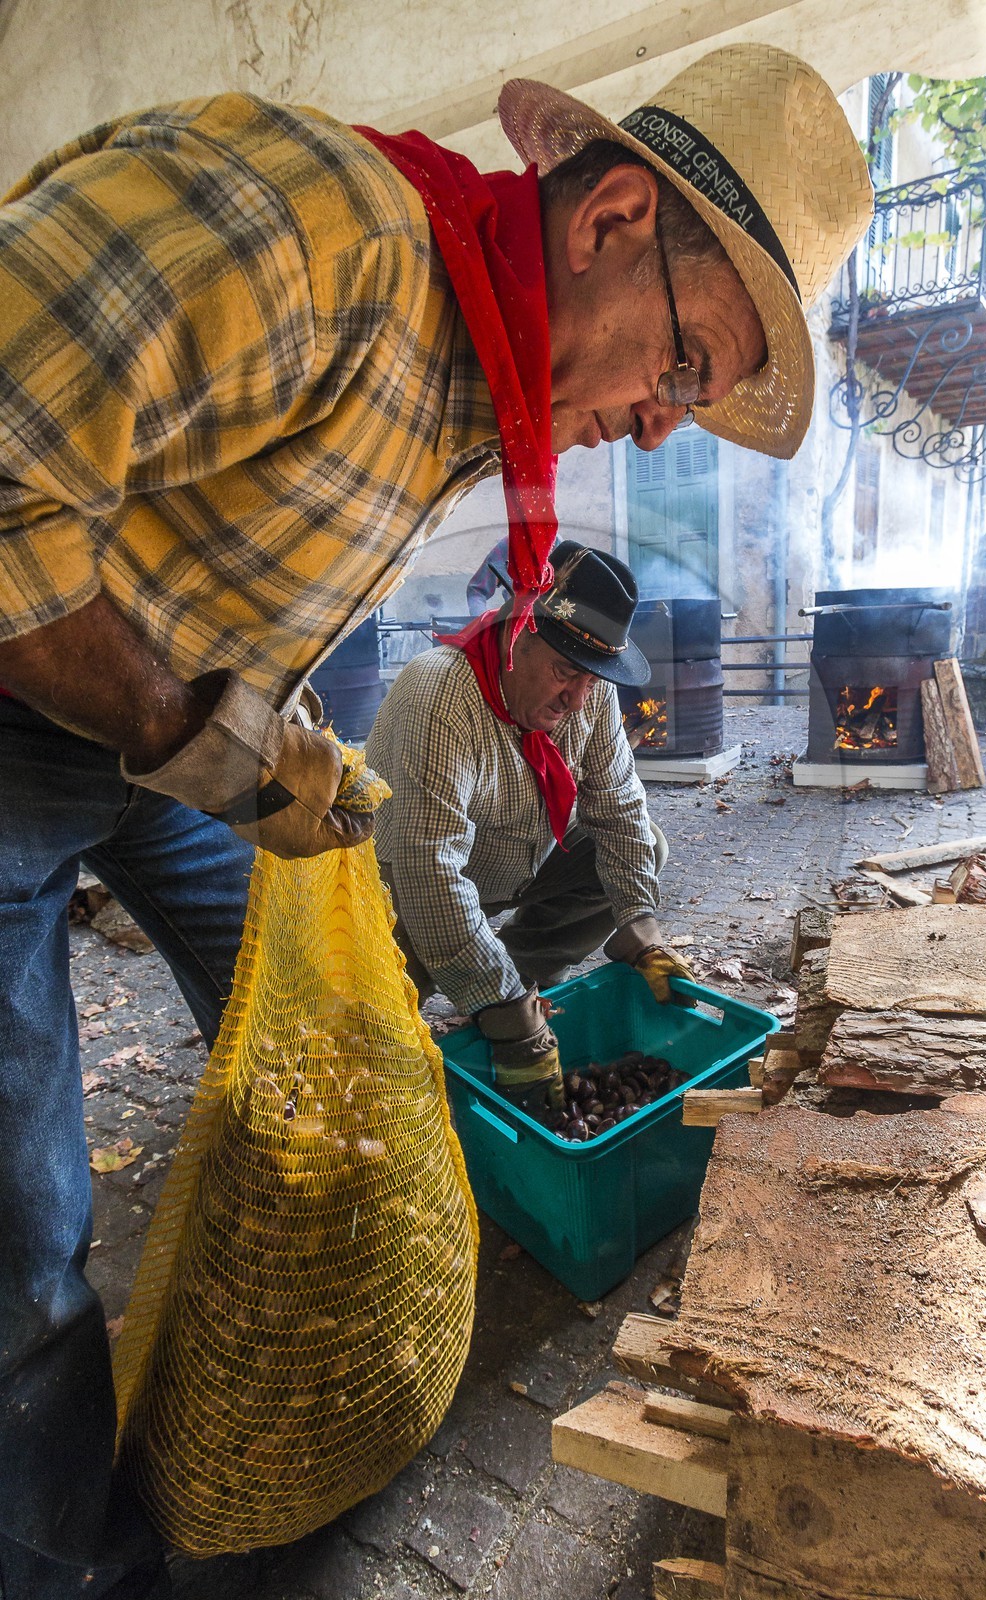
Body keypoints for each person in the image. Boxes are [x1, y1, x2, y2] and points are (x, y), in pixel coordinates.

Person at [0, 42, 872, 1599]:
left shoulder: (482, 398)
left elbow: (605, 821)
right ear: (610, 219)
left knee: (345, 1058)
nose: (667, 427)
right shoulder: (314, 231)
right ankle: (72, 1564)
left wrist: (247, 745)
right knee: (24, 1240)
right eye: (687, 365)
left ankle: (272, 1358)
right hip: (43, 716)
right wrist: (192, 737)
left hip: (166, 733)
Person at [367, 542, 694, 1117]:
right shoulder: (439, 697)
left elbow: (619, 809)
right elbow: (429, 870)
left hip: (516, 863)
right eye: (564, 671)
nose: (577, 697)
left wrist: (638, 921)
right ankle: (488, 998)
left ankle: (512, 977)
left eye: (591, 678)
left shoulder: (588, 690)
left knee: (645, 846)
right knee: (363, 1038)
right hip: (406, 891)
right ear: (516, 636)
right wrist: (509, 1021)